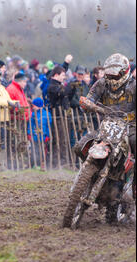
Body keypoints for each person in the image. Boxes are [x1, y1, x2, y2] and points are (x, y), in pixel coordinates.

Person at [76, 53, 136, 199]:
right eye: (110, 74)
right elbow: (88, 99)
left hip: (130, 127)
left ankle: (134, 184)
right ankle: (90, 172)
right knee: (80, 146)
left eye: (115, 75)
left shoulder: (134, 86)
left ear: (124, 72)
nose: (113, 77)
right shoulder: (102, 83)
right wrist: (89, 104)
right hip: (107, 127)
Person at [47, 65, 70, 166]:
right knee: (58, 139)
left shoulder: (59, 85)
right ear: (56, 75)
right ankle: (57, 162)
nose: (64, 77)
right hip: (56, 116)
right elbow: (60, 93)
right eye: (63, 75)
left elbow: (66, 95)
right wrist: (69, 88)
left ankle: (63, 160)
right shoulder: (52, 86)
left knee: (64, 138)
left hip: (63, 115)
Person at [27, 97, 52, 168]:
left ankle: (41, 164)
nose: (33, 107)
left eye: (34, 105)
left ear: (38, 105)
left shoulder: (47, 114)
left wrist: (47, 135)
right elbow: (30, 125)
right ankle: (33, 164)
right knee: (34, 150)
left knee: (42, 150)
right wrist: (29, 133)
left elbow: (48, 126)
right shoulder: (33, 114)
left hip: (43, 137)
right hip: (34, 136)